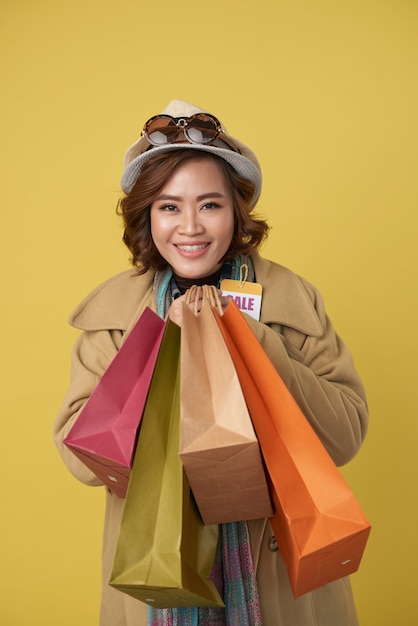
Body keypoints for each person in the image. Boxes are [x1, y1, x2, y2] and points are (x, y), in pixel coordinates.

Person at [53, 99, 369, 626]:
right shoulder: (111, 314)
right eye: (169, 207)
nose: (190, 227)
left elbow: (345, 436)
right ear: (146, 216)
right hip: (155, 573)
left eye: (210, 205)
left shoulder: (292, 300)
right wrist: (159, 348)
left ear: (236, 211)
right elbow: (81, 460)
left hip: (278, 582)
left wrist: (255, 342)